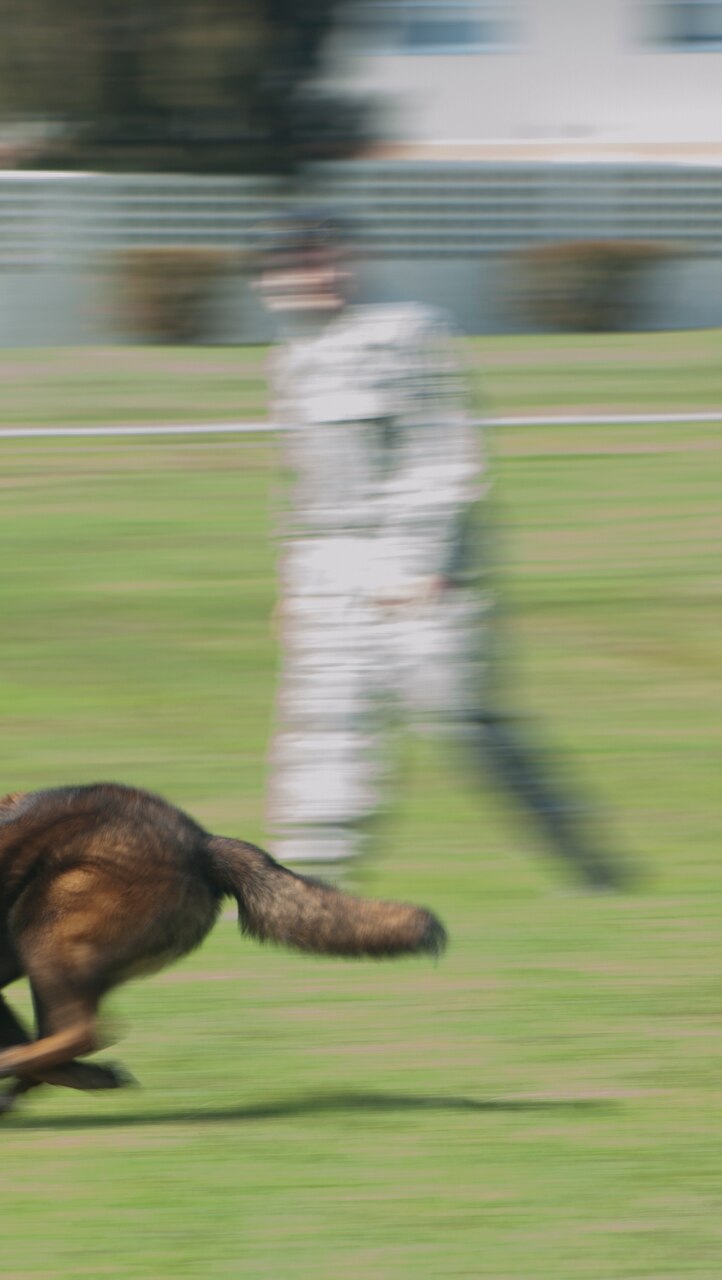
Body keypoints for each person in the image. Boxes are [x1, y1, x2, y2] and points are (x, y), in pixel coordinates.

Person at [253, 209, 628, 891]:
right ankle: (309, 885)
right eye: (302, 262)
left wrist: (422, 562)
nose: (324, 272)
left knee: (460, 718)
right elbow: (301, 481)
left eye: (331, 257)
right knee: (324, 719)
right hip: (329, 566)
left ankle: (586, 858)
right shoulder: (290, 359)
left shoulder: (405, 333)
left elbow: (442, 448)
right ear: (270, 280)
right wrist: (292, 581)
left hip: (419, 565)